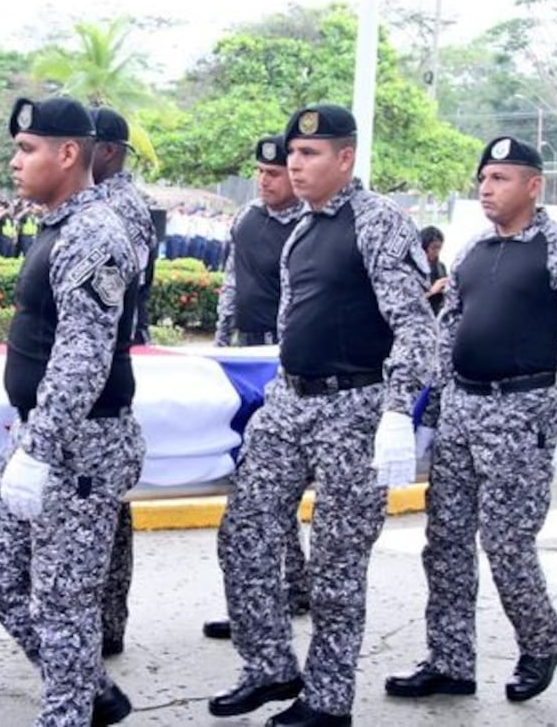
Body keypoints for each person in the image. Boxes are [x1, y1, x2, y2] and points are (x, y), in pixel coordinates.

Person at [211, 105, 435, 727]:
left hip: (354, 408)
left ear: (346, 158)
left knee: (337, 563)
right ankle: (270, 667)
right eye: (292, 155)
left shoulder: (378, 223)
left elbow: (417, 329)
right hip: (292, 399)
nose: (295, 164)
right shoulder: (303, 229)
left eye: (310, 154)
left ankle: (329, 700)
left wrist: (397, 412)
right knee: (245, 533)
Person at [386, 136, 557, 705]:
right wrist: (430, 415)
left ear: (533, 186)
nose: (486, 189)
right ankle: (450, 661)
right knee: (445, 543)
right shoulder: (474, 252)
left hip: (522, 412)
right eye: (483, 179)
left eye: (500, 179)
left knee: (508, 542)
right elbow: (447, 336)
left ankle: (542, 639)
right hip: (462, 409)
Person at [0, 96, 142, 727]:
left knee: (63, 603)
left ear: (68, 153)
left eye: (27, 149)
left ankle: (69, 711)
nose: (15, 162)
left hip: (81, 446)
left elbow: (82, 358)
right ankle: (90, 691)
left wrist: (39, 449)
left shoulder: (95, 233)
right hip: (39, 437)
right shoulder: (60, 226)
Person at [204, 134, 310, 644]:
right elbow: (232, 283)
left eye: (275, 173)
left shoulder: (307, 226)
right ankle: (274, 590)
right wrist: (219, 347)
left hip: (281, 359)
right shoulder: (248, 219)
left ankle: (284, 589)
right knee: (255, 480)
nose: (265, 181)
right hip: (243, 355)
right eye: (261, 173)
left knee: (271, 484)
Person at [88, 105, 155, 659]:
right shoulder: (93, 201)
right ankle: (100, 618)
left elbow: (115, 298)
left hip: (109, 361)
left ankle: (108, 620)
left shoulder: (121, 208)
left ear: (107, 150)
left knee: (108, 502)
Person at [420, 225, 448, 316]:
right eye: (433, 248)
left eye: (439, 248)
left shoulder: (440, 267)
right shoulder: (412, 269)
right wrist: (432, 291)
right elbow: (407, 301)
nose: (436, 251)